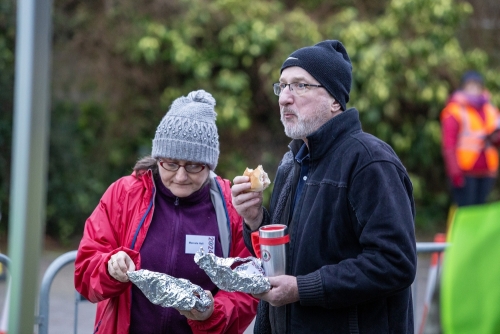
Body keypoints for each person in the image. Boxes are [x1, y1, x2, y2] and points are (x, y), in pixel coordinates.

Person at [231, 40, 417, 333]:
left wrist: (302, 289)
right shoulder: (291, 162)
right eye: (282, 86)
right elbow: (285, 261)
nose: (284, 99)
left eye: (300, 86)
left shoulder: (370, 161)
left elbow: (395, 263)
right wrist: (255, 220)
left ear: (335, 100)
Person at [74, 90, 258, 334]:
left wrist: (212, 312)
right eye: (170, 164)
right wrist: (109, 268)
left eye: (193, 166)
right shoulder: (124, 195)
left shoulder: (230, 207)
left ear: (210, 164)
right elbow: (85, 271)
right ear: (158, 157)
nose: (181, 176)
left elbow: (247, 287)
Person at [440, 70, 500, 207]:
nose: (474, 90)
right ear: (463, 88)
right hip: (465, 172)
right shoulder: (455, 110)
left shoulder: (490, 109)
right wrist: (454, 173)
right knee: (465, 211)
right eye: (470, 86)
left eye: (477, 86)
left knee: (480, 212)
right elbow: (449, 145)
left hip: (487, 171)